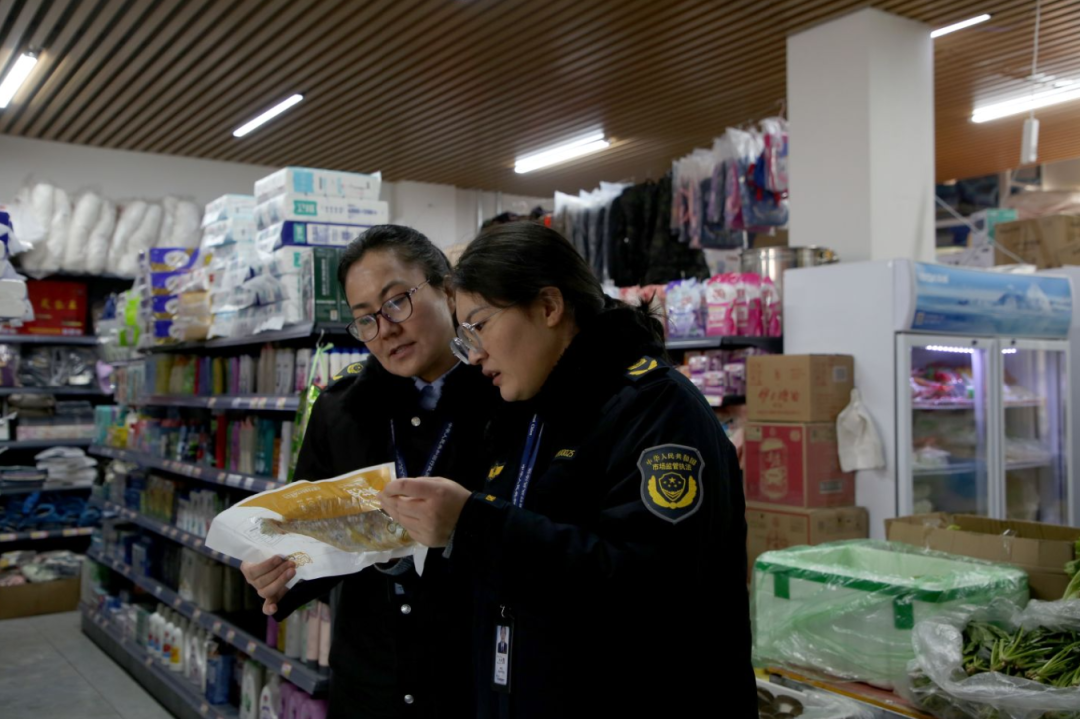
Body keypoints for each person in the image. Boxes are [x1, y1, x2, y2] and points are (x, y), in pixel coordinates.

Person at [381, 222, 757, 718]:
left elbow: (644, 589)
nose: (473, 355)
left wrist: (470, 525)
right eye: (464, 337)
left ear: (550, 307)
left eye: (479, 326)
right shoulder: (525, 412)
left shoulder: (656, 410)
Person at [240, 225, 499, 719]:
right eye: (365, 320)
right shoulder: (341, 411)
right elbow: (310, 533)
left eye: (397, 301)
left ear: (447, 289)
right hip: (369, 678)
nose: (386, 329)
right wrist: (278, 572)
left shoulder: (506, 396)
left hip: (470, 679)